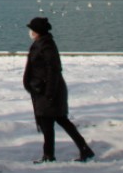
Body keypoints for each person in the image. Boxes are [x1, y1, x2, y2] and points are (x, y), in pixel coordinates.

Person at [23, 16, 94, 163]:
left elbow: (53, 70)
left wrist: (49, 93)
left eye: (32, 30)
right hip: (43, 90)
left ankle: (53, 155)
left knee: (54, 122)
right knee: (52, 122)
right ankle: (74, 151)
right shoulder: (41, 44)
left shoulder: (46, 46)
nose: (30, 32)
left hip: (49, 91)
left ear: (37, 31)